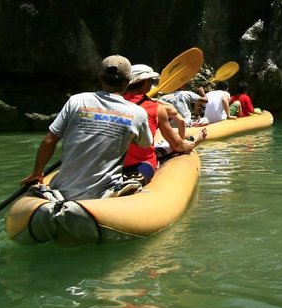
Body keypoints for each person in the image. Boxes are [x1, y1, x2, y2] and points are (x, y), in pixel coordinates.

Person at [19, 54, 153, 201]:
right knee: (147, 168)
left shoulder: (76, 100)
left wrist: (37, 173)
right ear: (128, 82)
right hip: (103, 195)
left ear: (100, 78)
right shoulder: (138, 113)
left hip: (62, 192)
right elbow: (145, 144)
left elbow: (50, 140)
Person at [123, 63, 202, 184]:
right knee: (174, 145)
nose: (151, 83)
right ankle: (194, 139)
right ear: (144, 83)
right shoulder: (156, 108)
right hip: (143, 164)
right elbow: (178, 146)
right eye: (150, 80)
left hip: (114, 164)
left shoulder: (112, 103)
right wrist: (194, 142)